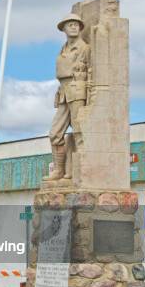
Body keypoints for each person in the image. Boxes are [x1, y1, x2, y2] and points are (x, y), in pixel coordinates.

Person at [43, 13, 91, 182]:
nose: (73, 27)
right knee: (55, 133)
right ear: (63, 28)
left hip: (77, 90)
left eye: (76, 24)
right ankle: (59, 170)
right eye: (69, 24)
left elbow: (91, 71)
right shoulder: (63, 48)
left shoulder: (84, 48)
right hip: (64, 90)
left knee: (79, 131)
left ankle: (81, 172)